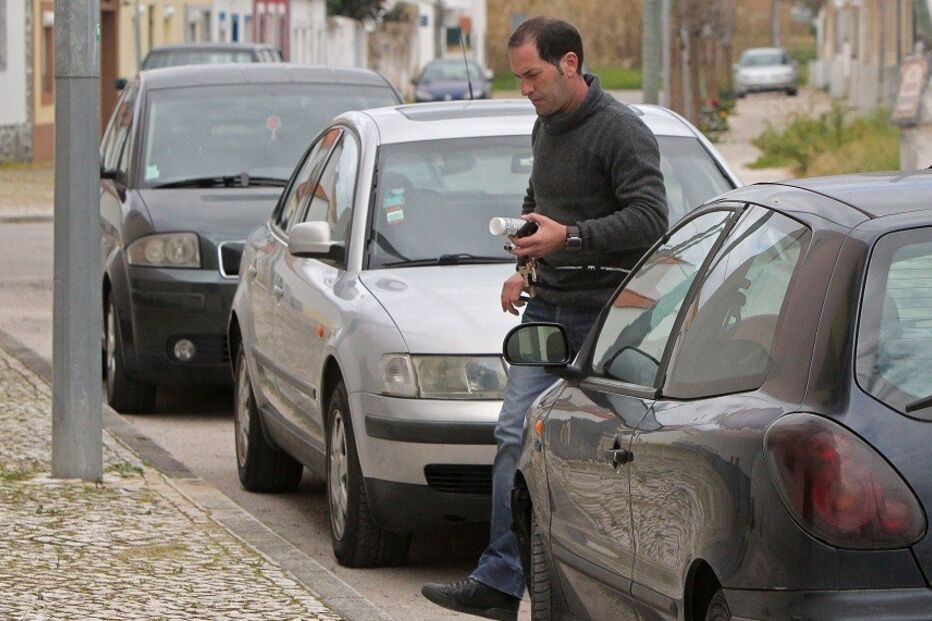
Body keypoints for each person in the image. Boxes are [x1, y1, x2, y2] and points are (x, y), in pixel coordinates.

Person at [421, 16, 668, 621]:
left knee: (603, 450)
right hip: (549, 308)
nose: (525, 88)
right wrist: (526, 261)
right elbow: (541, 207)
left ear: (569, 63)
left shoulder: (621, 131)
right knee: (514, 434)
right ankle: (501, 582)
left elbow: (652, 221)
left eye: (532, 74)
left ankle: (606, 582)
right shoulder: (546, 126)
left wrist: (572, 239)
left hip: (609, 318)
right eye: (519, 78)